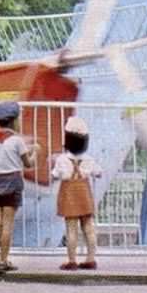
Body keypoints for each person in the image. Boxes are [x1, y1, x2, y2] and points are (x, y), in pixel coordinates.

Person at [0, 101, 39, 276]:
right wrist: (35, 152)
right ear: (14, 121)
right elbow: (28, 164)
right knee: (7, 223)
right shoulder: (17, 141)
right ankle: (4, 260)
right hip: (13, 181)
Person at [52, 116, 103, 271]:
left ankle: (72, 260)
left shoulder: (61, 159)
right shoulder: (89, 159)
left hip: (69, 194)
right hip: (84, 194)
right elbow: (99, 173)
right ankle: (91, 258)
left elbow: (55, 175)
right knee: (88, 226)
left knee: (71, 228)